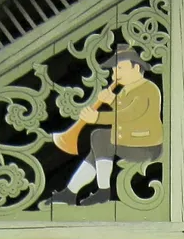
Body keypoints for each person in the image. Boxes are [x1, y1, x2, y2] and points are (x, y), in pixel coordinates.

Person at [47, 48, 162, 206]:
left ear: (136, 68)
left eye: (120, 68)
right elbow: (124, 109)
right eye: (114, 70)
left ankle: (103, 190)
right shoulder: (126, 90)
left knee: (100, 137)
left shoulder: (147, 88)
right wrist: (112, 100)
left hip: (147, 145)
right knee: (99, 143)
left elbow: (130, 114)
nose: (115, 73)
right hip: (131, 140)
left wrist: (97, 117)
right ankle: (70, 191)